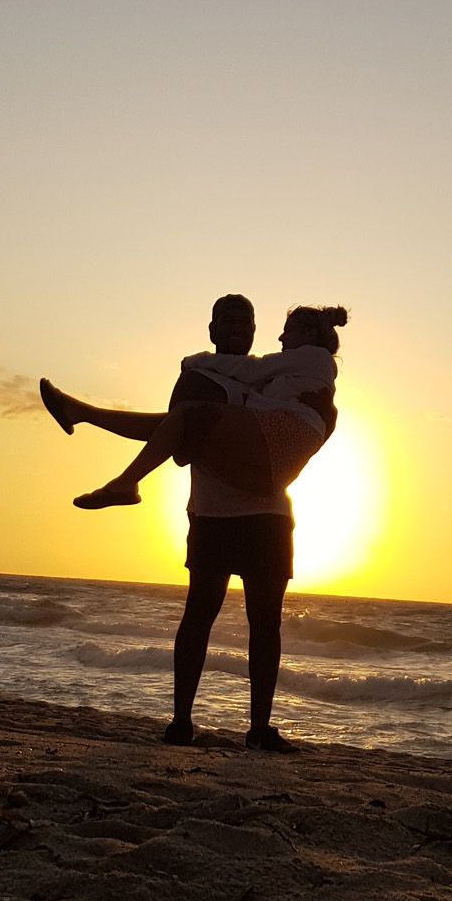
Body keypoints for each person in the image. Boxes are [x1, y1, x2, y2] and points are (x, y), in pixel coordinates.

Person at [39, 301, 348, 752]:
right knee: (198, 616)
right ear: (212, 327)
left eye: (247, 322)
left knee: (265, 625)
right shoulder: (213, 380)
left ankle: (259, 729)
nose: (240, 328)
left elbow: (190, 432)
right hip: (212, 512)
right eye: (229, 321)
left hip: (267, 515)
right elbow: (175, 436)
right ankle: (181, 721)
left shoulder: (263, 377)